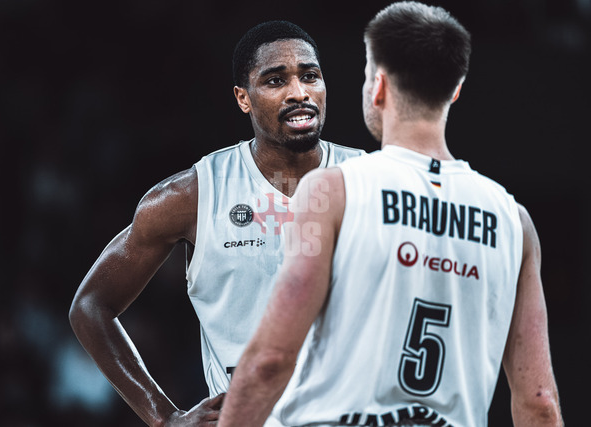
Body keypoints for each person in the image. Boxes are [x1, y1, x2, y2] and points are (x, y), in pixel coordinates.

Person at [218, 3, 563, 427]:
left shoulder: (331, 190)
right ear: (455, 90)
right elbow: (540, 401)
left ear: (377, 87)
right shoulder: (513, 221)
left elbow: (271, 359)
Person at [68, 20, 364, 426]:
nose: (299, 92)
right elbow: (90, 306)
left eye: (310, 76)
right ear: (243, 98)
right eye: (276, 80)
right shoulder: (192, 195)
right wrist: (164, 418)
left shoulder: (376, 182)